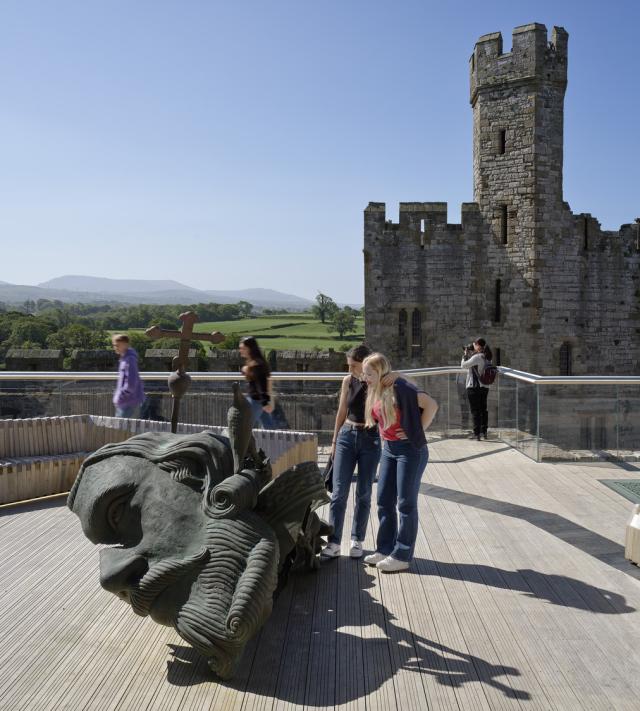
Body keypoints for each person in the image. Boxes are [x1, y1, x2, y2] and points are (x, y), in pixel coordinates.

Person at [361, 353, 438, 573]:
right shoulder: (375, 391)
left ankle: (402, 555)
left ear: (381, 373)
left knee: (405, 504)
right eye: (364, 373)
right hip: (390, 450)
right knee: (384, 500)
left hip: (410, 451)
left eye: (369, 374)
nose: (365, 378)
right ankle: (385, 549)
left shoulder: (399, 388)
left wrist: (416, 431)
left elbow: (432, 405)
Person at [321, 345, 382, 560]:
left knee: (364, 493)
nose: (350, 370)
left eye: (354, 366)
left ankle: (357, 540)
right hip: (347, 435)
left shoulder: (378, 382)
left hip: (371, 439)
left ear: (366, 363)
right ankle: (334, 542)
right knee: (338, 493)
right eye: (349, 366)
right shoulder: (348, 381)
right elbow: (341, 411)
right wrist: (335, 440)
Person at [460, 338, 493, 441]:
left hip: (474, 387)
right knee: (483, 410)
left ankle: (476, 434)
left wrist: (465, 354)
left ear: (478, 345)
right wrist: (472, 352)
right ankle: (484, 432)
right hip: (485, 387)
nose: (472, 346)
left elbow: (463, 365)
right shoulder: (487, 357)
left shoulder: (477, 357)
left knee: (475, 411)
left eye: (474, 344)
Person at [238, 336, 275, 429]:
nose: (240, 350)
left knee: (244, 428)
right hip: (257, 401)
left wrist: (265, 403)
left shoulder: (257, 365)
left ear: (250, 349)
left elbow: (261, 384)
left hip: (256, 401)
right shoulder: (255, 364)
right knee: (268, 428)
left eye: (243, 348)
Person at [112, 334, 145, 418]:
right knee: (125, 429)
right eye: (115, 345)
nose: (115, 347)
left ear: (125, 344)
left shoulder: (129, 359)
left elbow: (131, 384)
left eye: (117, 345)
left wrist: (120, 397)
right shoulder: (126, 359)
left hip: (128, 403)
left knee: (123, 429)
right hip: (127, 402)